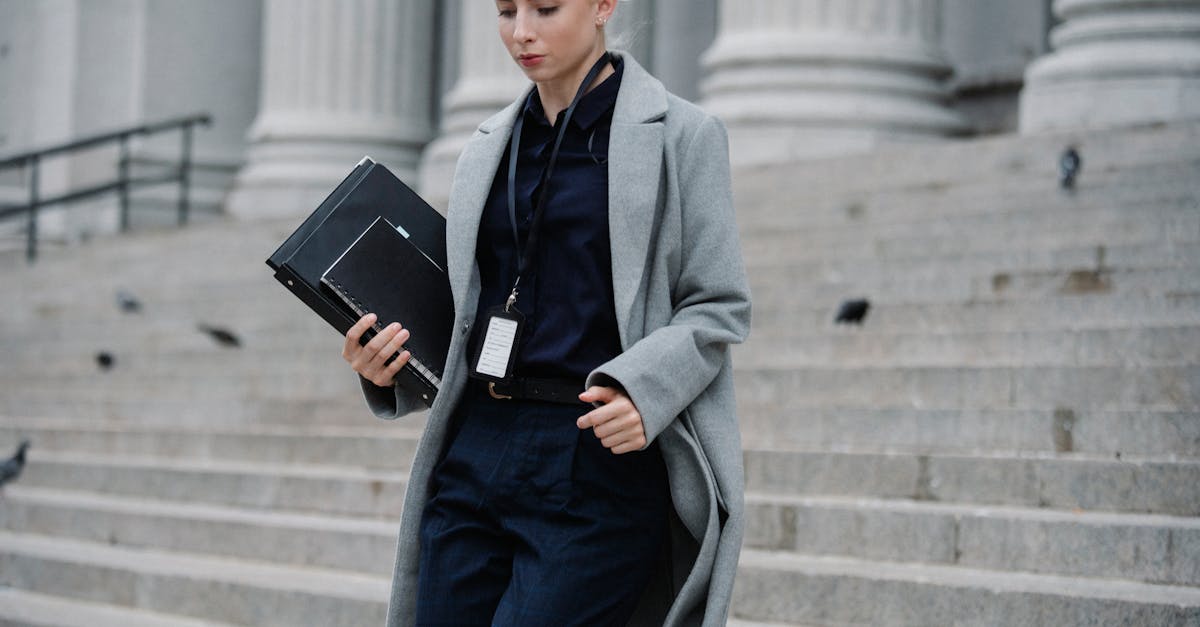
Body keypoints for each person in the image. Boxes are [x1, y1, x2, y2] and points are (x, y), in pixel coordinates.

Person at [342, 0, 750, 624]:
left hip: (592, 453)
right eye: (506, 11)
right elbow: (469, 308)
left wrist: (643, 390)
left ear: (603, 6)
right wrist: (388, 363)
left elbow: (718, 304)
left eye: (546, 8)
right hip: (476, 445)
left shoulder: (682, 135)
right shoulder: (486, 147)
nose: (522, 32)